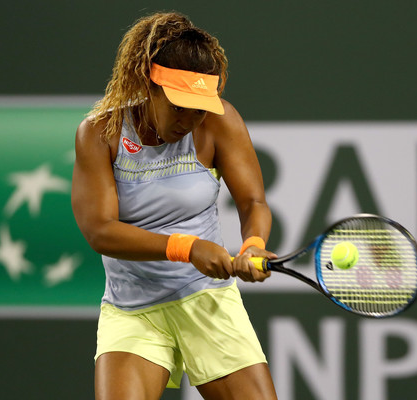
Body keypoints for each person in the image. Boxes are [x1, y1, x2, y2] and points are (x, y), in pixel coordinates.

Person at [71, 11, 279, 400]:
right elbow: (100, 230)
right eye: (178, 106)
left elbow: (253, 201)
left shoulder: (219, 123)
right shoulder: (100, 133)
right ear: (149, 85)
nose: (190, 119)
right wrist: (188, 247)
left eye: (200, 107)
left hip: (206, 299)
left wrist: (253, 243)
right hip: (134, 308)